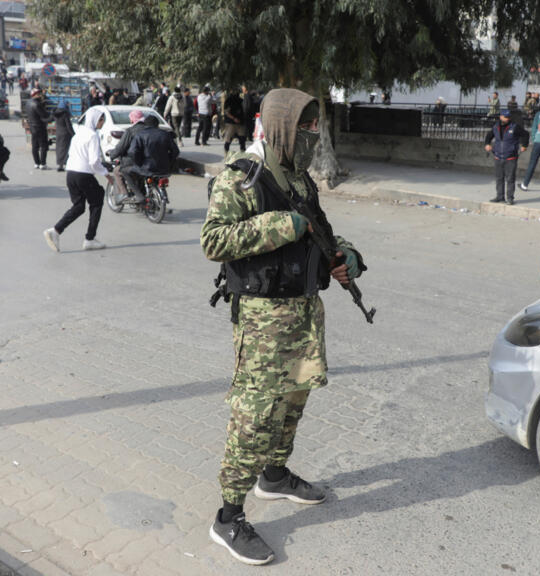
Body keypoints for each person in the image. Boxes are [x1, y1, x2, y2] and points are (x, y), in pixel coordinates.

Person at [201, 88, 365, 566]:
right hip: (263, 319)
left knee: (294, 400)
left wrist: (345, 257)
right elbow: (214, 240)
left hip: (304, 313)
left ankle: (273, 475)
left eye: (316, 127)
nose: (313, 135)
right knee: (256, 414)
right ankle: (228, 516)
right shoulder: (242, 177)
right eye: (305, 128)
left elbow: (322, 231)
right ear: (281, 128)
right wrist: (279, 226)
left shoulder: (298, 179)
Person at [44, 108, 110, 252]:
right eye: (101, 120)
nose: (102, 123)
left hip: (71, 173)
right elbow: (94, 162)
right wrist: (106, 174)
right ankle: (90, 239)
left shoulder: (78, 134)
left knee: (79, 206)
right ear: (95, 120)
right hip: (83, 174)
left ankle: (55, 231)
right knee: (97, 200)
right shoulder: (93, 136)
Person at [127, 115, 180, 202]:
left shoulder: (140, 135)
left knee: (128, 172)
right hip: (164, 168)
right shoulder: (165, 134)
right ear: (157, 124)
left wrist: (139, 162)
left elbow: (132, 152)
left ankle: (139, 196)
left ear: (145, 124)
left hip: (146, 168)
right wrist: (169, 162)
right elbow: (175, 152)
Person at [483, 109, 528, 205]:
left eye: (508, 117)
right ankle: (500, 196)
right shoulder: (496, 127)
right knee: (499, 178)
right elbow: (489, 135)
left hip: (510, 157)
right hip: (498, 156)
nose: (507, 119)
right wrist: (487, 144)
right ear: (501, 117)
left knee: (510, 178)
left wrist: (524, 145)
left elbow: (525, 134)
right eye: (505, 117)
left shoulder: (515, 127)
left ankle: (510, 198)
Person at [110, 109, 152, 194]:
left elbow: (120, 148)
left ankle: (124, 193)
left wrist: (112, 155)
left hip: (133, 163)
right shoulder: (150, 129)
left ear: (132, 119)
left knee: (117, 171)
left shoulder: (130, 131)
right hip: (150, 162)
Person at [27, 88, 51, 170]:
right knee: (43, 146)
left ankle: (36, 163)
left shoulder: (28, 103)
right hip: (40, 127)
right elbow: (44, 115)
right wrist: (51, 115)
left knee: (35, 146)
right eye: (39, 93)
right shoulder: (37, 104)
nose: (41, 95)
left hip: (32, 127)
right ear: (36, 94)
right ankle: (43, 164)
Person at [222, 89, 247, 154]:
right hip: (231, 123)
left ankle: (242, 153)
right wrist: (234, 118)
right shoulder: (229, 100)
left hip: (240, 122)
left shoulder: (240, 100)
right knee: (228, 139)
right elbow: (227, 112)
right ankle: (226, 154)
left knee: (242, 140)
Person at [54, 103, 75, 172]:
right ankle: (62, 164)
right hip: (65, 134)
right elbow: (69, 126)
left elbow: (48, 119)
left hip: (58, 133)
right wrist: (74, 134)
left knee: (59, 148)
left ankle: (60, 164)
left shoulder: (56, 113)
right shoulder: (65, 114)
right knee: (65, 149)